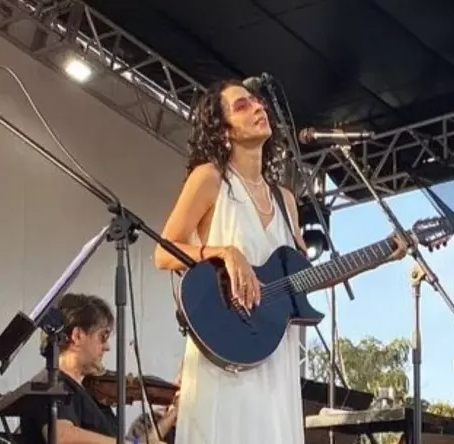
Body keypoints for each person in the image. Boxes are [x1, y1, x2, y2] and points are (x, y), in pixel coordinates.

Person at [154, 79, 408, 444]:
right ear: (223, 132)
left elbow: (303, 280)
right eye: (241, 106)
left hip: (274, 353)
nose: (258, 107)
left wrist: (381, 255)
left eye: (258, 102)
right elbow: (164, 251)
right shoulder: (210, 179)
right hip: (227, 350)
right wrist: (224, 252)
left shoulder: (285, 200)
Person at [20, 292, 167, 444]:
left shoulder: (89, 394)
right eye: (103, 337)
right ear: (77, 336)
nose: (107, 347)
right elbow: (62, 437)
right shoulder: (51, 385)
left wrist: (173, 414)